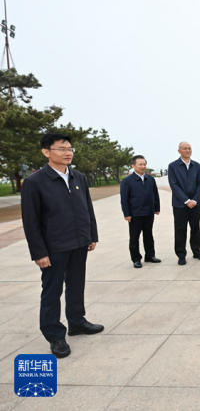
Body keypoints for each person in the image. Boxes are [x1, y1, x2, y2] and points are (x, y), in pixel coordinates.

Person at [21, 133, 103, 358]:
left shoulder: (78, 177)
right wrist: (39, 252)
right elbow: (31, 221)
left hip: (79, 242)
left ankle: (77, 322)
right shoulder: (34, 182)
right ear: (46, 152)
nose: (68, 153)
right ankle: (55, 335)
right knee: (52, 291)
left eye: (69, 148)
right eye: (61, 149)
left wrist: (91, 235)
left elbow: (87, 208)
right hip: (54, 247)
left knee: (76, 285)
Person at [168, 141, 200, 265]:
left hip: (195, 204)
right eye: (184, 148)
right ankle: (181, 254)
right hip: (180, 205)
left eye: (189, 148)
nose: (187, 150)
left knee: (195, 228)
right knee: (180, 229)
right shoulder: (173, 166)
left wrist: (194, 200)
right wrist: (186, 200)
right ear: (179, 151)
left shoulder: (197, 166)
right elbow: (174, 185)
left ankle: (196, 251)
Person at [120, 155, 161, 268]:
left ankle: (150, 255)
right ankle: (136, 259)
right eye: (140, 164)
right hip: (135, 213)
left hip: (149, 212)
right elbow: (124, 199)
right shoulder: (127, 181)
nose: (143, 166)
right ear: (133, 166)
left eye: (144, 164)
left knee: (148, 235)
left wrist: (157, 207)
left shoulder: (150, 179)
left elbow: (155, 194)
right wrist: (127, 213)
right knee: (134, 237)